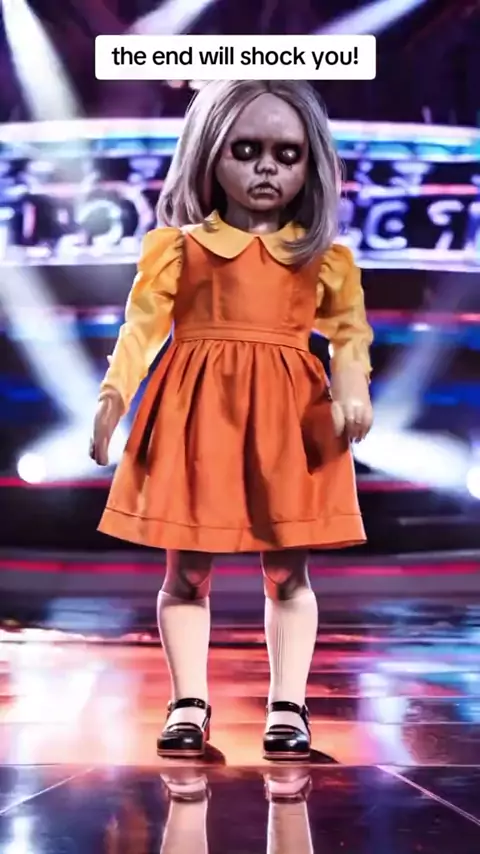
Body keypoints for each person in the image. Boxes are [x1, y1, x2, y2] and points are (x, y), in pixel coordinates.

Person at [90, 80, 373, 761]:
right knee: (187, 570)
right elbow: (140, 329)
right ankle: (187, 702)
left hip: (288, 420)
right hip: (197, 415)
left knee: (289, 571)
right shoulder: (178, 248)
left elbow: (350, 334)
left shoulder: (324, 259)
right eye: (245, 151)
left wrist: (352, 388)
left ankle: (288, 706)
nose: (266, 168)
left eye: (287, 153)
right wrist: (112, 397)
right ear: (209, 155)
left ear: (311, 164)